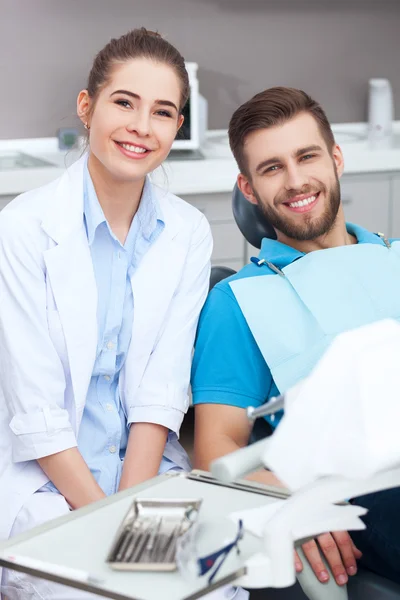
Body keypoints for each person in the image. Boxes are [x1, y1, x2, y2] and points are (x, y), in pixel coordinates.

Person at [0, 28, 246, 600]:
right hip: (49, 482)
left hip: (147, 475)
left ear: (177, 128)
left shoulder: (186, 233)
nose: (142, 127)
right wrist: (104, 525)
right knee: (96, 591)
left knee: (209, 587)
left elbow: (161, 392)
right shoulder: (23, 229)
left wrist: (131, 516)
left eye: (163, 112)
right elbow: (36, 409)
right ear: (87, 108)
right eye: (124, 102)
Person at [191, 87, 400, 588]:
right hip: (368, 494)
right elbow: (214, 451)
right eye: (271, 168)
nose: (295, 180)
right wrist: (294, 501)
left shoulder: (393, 257)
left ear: (336, 158)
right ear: (248, 188)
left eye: (307, 157)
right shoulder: (238, 302)